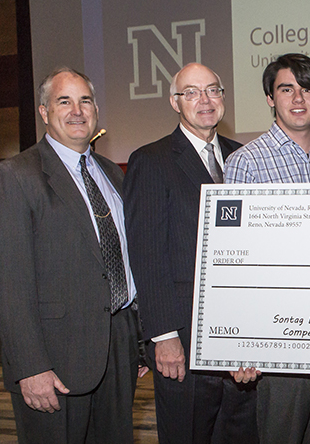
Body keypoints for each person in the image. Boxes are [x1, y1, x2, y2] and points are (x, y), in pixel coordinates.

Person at [0, 67, 141, 443]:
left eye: (85, 100)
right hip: (56, 359)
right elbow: (7, 286)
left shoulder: (110, 174)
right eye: (64, 101)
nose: (77, 110)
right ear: (43, 111)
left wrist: (138, 342)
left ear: (96, 110)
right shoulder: (14, 177)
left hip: (117, 347)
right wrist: (30, 366)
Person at [124, 63, 256, 443]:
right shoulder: (151, 160)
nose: (205, 100)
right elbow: (147, 254)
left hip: (240, 336)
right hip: (182, 336)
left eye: (213, 90)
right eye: (192, 92)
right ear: (174, 102)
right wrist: (162, 336)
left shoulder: (242, 157)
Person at [223, 53, 310, 444]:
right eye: (286, 89)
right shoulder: (246, 162)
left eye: (308, 89)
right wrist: (239, 342)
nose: (298, 98)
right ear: (269, 98)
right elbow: (233, 257)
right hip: (277, 335)